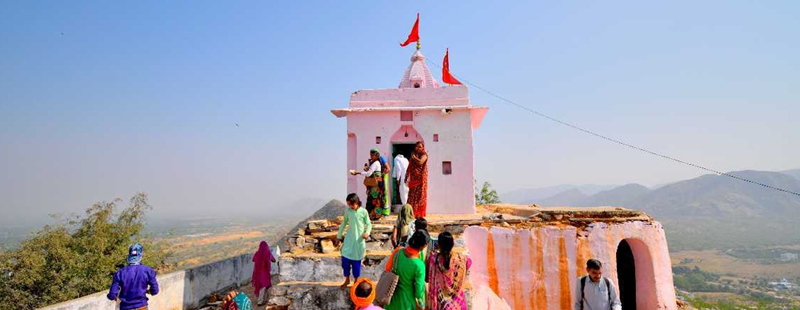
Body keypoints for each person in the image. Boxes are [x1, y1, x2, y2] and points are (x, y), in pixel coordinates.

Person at [426, 232, 471, 310]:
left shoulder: (433, 259)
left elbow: (426, 279)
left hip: (440, 304)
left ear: (439, 245)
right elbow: (469, 262)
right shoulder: (462, 259)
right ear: (453, 244)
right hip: (457, 305)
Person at [107, 243, 159, 310]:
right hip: (142, 306)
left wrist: (112, 297)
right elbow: (155, 291)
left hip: (125, 307)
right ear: (141, 256)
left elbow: (112, 295)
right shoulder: (148, 271)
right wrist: (148, 291)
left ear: (129, 256)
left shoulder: (119, 273)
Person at [385, 230, 428, 310]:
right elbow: (418, 293)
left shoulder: (397, 251)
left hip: (390, 299)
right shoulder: (419, 265)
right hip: (406, 303)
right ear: (423, 246)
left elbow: (387, 269)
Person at [337, 193, 373, 289]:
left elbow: (369, 224)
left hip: (359, 241)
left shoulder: (363, 212)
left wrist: (367, 233)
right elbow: (344, 223)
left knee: (356, 263)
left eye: (351, 204)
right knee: (345, 260)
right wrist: (339, 236)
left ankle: (356, 282)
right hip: (349, 240)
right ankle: (347, 279)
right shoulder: (348, 212)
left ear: (356, 202)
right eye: (348, 204)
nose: (350, 206)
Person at [351, 149, 388, 219]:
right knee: (375, 199)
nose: (371, 156)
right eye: (370, 155)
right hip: (377, 184)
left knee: (373, 199)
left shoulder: (376, 163)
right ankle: (375, 215)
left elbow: (369, 173)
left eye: (372, 155)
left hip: (375, 185)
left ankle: (374, 215)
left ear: (376, 155)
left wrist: (357, 173)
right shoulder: (376, 163)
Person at [405, 142, 428, 218]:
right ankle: (411, 213)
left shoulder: (424, 155)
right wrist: (406, 176)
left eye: (420, 147)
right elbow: (409, 167)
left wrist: (413, 157)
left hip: (420, 180)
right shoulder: (414, 156)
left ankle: (419, 214)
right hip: (413, 180)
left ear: (423, 148)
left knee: (419, 198)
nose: (418, 148)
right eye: (417, 147)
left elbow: (420, 162)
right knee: (411, 197)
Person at [252, 240, 276, 306]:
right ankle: (260, 301)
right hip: (264, 273)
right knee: (264, 286)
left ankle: (264, 300)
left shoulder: (257, 253)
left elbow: (253, 259)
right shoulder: (268, 253)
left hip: (258, 273)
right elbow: (273, 260)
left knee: (263, 286)